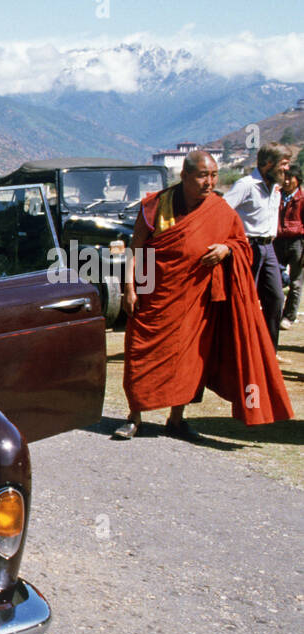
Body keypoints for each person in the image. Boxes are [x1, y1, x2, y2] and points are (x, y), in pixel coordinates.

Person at [114, 151, 291, 441]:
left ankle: (176, 418)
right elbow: (137, 248)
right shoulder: (155, 205)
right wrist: (131, 288)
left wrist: (227, 249)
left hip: (196, 299)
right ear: (184, 176)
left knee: (189, 359)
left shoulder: (219, 209)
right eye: (202, 176)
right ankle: (135, 417)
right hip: (155, 294)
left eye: (213, 175)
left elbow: (240, 243)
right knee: (139, 353)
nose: (209, 182)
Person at [223, 143, 291, 347]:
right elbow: (223, 211)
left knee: (276, 298)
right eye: (284, 164)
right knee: (244, 301)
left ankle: (269, 351)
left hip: (269, 247)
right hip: (248, 247)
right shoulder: (246, 185)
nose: (286, 169)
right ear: (268, 164)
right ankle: (240, 350)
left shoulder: (275, 189)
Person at [276, 164, 303, 329]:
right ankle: (275, 313)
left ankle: (289, 316)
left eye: (289, 178)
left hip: (298, 242)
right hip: (278, 241)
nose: (286, 181)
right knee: (275, 279)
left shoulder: (302, 198)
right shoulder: (277, 196)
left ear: (297, 180)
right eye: (284, 177)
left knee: (296, 283)